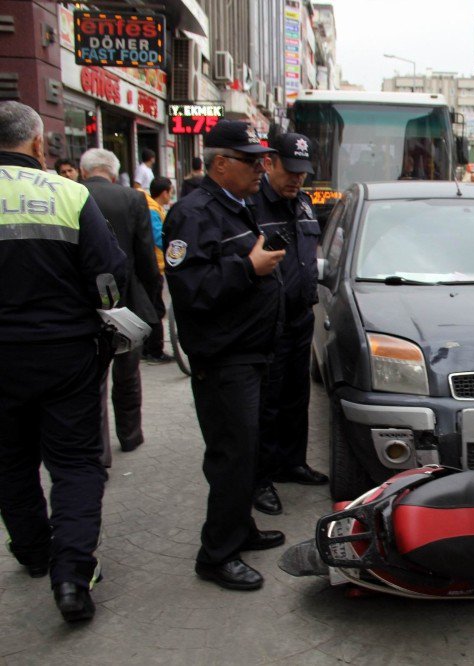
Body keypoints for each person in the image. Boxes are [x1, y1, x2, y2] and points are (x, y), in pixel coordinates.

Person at [0, 101, 126, 622]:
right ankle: (73, 577)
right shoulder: (70, 194)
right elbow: (108, 275)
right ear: (36, 144)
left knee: (9, 460)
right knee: (75, 463)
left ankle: (33, 553)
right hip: (66, 354)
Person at [164, 120, 286, 591]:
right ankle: (216, 554)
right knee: (231, 455)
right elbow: (190, 290)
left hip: (250, 351)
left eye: (262, 159)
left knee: (247, 449)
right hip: (223, 356)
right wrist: (248, 267)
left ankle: (240, 527)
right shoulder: (192, 214)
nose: (261, 168)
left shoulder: (237, 205)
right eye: (251, 161)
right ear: (220, 163)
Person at [250, 133, 328, 517]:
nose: (298, 179)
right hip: (267, 323)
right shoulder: (251, 205)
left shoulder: (304, 203)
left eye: (303, 172)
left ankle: (292, 462)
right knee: (267, 403)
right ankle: (260, 478)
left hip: (300, 318)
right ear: (270, 163)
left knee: (297, 397)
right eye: (291, 170)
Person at [80, 148, 160, 458]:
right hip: (126, 302)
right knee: (127, 373)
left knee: (93, 379)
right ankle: (130, 435)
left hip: (85, 304)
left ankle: (98, 451)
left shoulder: (72, 194)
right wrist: (152, 295)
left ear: (84, 171)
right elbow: (145, 255)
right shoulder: (133, 198)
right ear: (114, 173)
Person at [142, 177, 174, 363]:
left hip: (150, 265)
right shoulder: (153, 210)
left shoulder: (151, 207)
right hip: (154, 265)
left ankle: (147, 349)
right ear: (165, 193)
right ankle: (154, 350)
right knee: (156, 310)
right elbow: (159, 238)